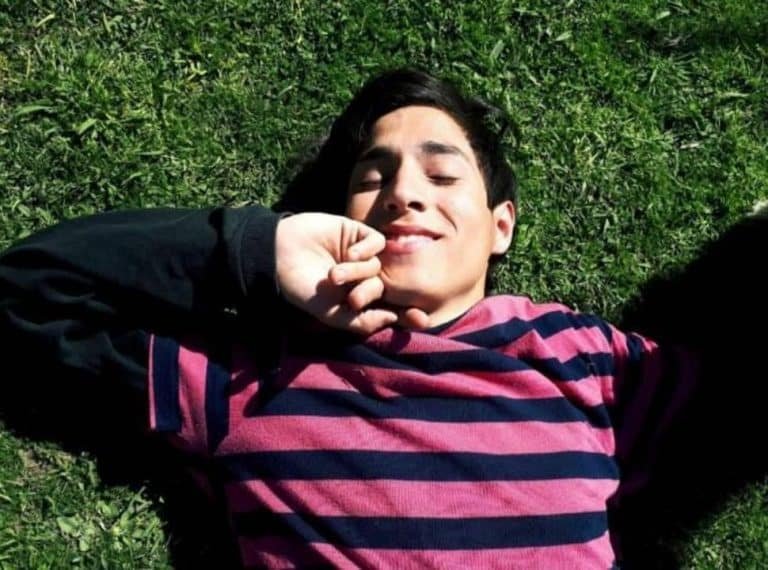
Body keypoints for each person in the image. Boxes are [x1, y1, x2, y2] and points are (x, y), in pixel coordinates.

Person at [0, 69, 699, 568]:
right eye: (372, 177)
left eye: (442, 175)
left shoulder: (580, 356)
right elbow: (24, 293)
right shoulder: (253, 376)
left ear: (501, 226)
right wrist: (260, 249)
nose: (403, 193)